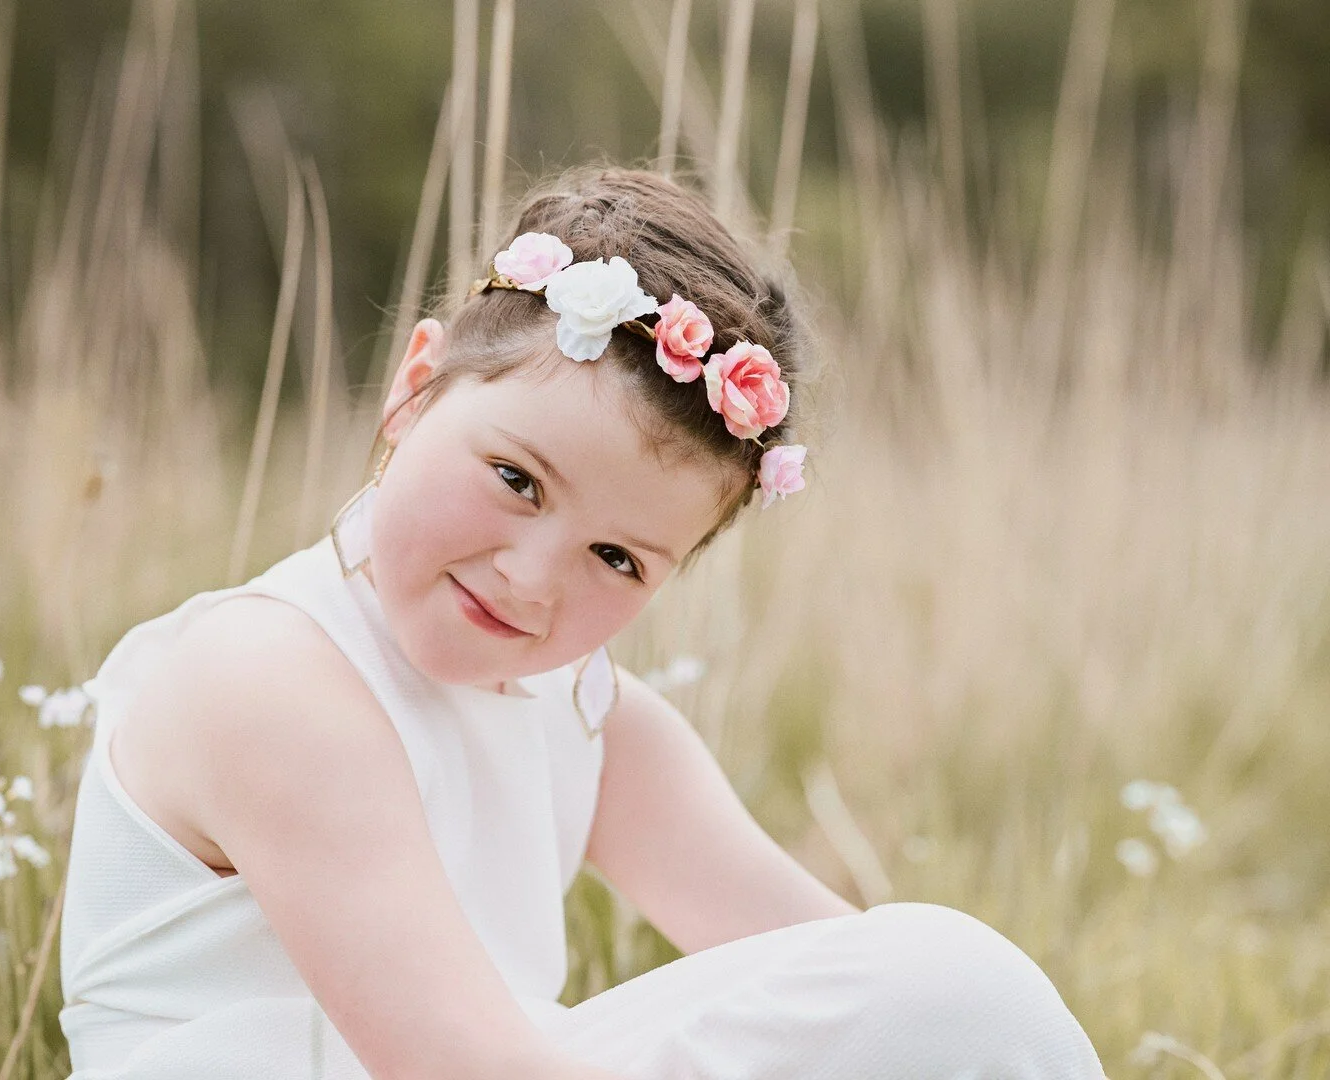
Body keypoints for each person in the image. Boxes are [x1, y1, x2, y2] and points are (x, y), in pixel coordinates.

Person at [56, 166, 1106, 1080]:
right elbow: (460, 1070)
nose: (528, 579)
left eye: (617, 558)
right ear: (415, 391)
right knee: (959, 985)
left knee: (958, 984)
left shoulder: (595, 725)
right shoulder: (273, 676)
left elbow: (857, 985)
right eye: (517, 478)